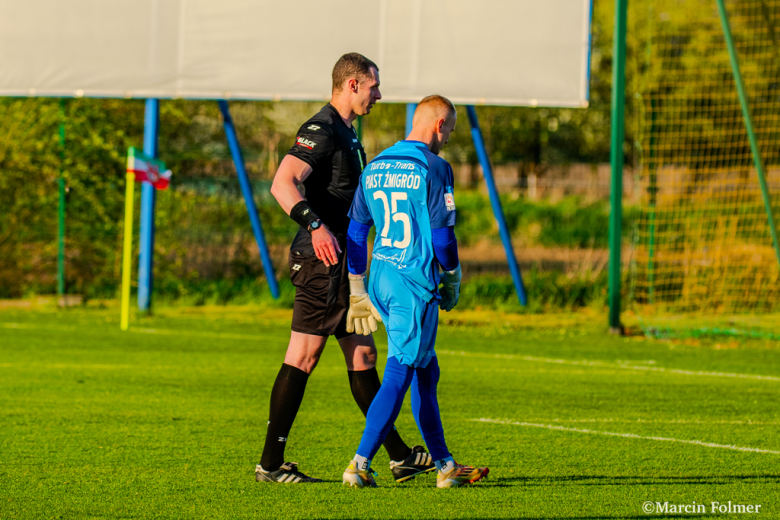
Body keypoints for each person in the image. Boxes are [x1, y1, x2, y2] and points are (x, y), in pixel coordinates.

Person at [255, 53, 435, 484]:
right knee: (303, 355)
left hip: (342, 265)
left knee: (363, 356)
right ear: (352, 84)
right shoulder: (322, 129)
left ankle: (398, 455)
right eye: (374, 86)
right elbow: (283, 182)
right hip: (322, 261)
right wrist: (315, 225)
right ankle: (271, 464)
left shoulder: (348, 134)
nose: (379, 95)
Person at [341, 95, 489, 489]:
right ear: (439, 124)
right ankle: (359, 463)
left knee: (426, 368)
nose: (448, 140)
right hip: (414, 284)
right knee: (401, 369)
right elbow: (443, 235)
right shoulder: (434, 167)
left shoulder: (375, 166)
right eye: (451, 131)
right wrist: (453, 276)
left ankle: (445, 466)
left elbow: (356, 232)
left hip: (381, 279)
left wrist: (358, 286)